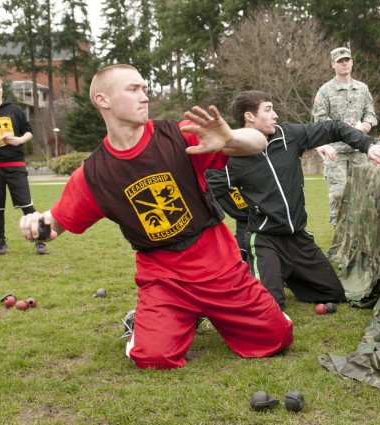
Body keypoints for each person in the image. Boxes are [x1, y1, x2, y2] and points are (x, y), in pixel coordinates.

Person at [18, 65, 293, 370]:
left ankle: (222, 313)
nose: (144, 97)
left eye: (144, 89)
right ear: (103, 100)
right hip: (164, 279)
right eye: (133, 89)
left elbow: (258, 143)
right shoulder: (94, 175)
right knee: (152, 358)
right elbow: (55, 223)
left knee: (277, 339)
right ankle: (150, 321)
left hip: (219, 266)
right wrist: (37, 225)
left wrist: (229, 138)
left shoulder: (180, 133)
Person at [206, 90, 380, 310]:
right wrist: (247, 214)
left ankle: (287, 273)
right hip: (265, 240)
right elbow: (214, 187)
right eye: (268, 109)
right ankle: (268, 273)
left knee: (334, 293)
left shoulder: (289, 135)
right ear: (250, 116)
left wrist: (368, 146)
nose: (275, 115)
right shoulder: (231, 154)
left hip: (298, 238)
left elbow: (334, 127)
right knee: (270, 306)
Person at [312, 47, 378, 225]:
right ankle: (339, 237)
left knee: (363, 196)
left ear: (352, 62)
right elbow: (319, 120)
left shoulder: (362, 89)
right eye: (340, 61)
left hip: (359, 151)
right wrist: (339, 129)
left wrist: (368, 123)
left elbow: (370, 113)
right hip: (336, 152)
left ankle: (359, 237)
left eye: (347, 60)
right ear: (333, 64)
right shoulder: (325, 91)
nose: (344, 63)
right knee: (338, 195)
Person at [0, 75, 46, 255]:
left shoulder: (15, 110)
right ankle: (1, 242)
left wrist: (19, 139)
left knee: (27, 205)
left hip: (15, 164)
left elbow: (29, 132)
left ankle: (40, 240)